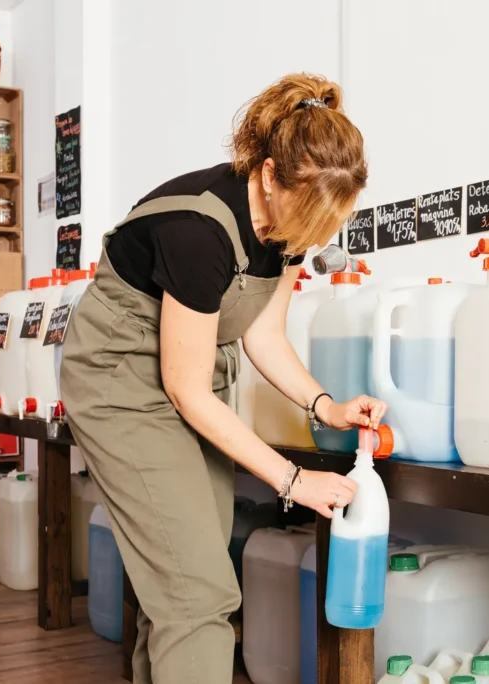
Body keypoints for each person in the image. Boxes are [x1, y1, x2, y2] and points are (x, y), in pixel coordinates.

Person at [59, 73, 386, 683]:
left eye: (327, 223)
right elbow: (180, 386)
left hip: (191, 386)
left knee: (188, 576)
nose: (312, 238)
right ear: (267, 174)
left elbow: (262, 335)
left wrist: (327, 406)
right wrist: (294, 481)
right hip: (121, 386)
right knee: (197, 596)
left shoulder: (292, 228)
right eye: (309, 218)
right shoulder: (199, 230)